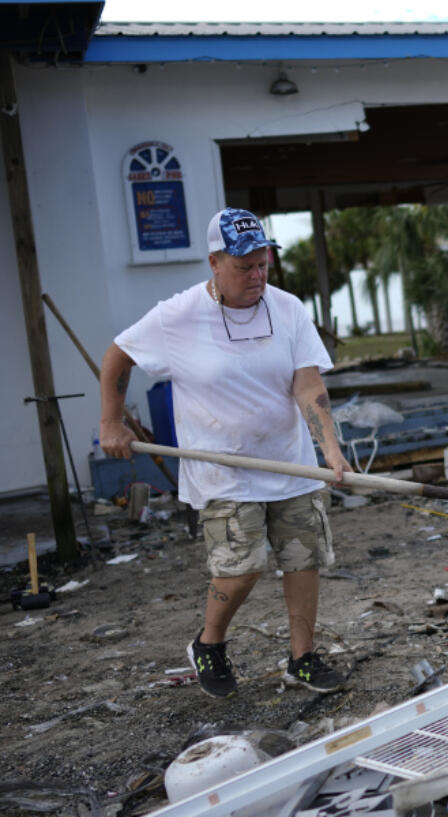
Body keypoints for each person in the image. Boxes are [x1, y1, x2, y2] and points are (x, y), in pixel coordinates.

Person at [99, 207, 352, 698]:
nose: (257, 276)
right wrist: (110, 420)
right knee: (241, 567)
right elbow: (118, 357)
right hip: (223, 469)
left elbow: (308, 384)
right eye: (244, 267)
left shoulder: (288, 309)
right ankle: (209, 643)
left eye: (263, 264)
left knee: (303, 558)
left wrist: (331, 451)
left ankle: (301, 659)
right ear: (214, 263)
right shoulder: (177, 316)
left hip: (288, 459)